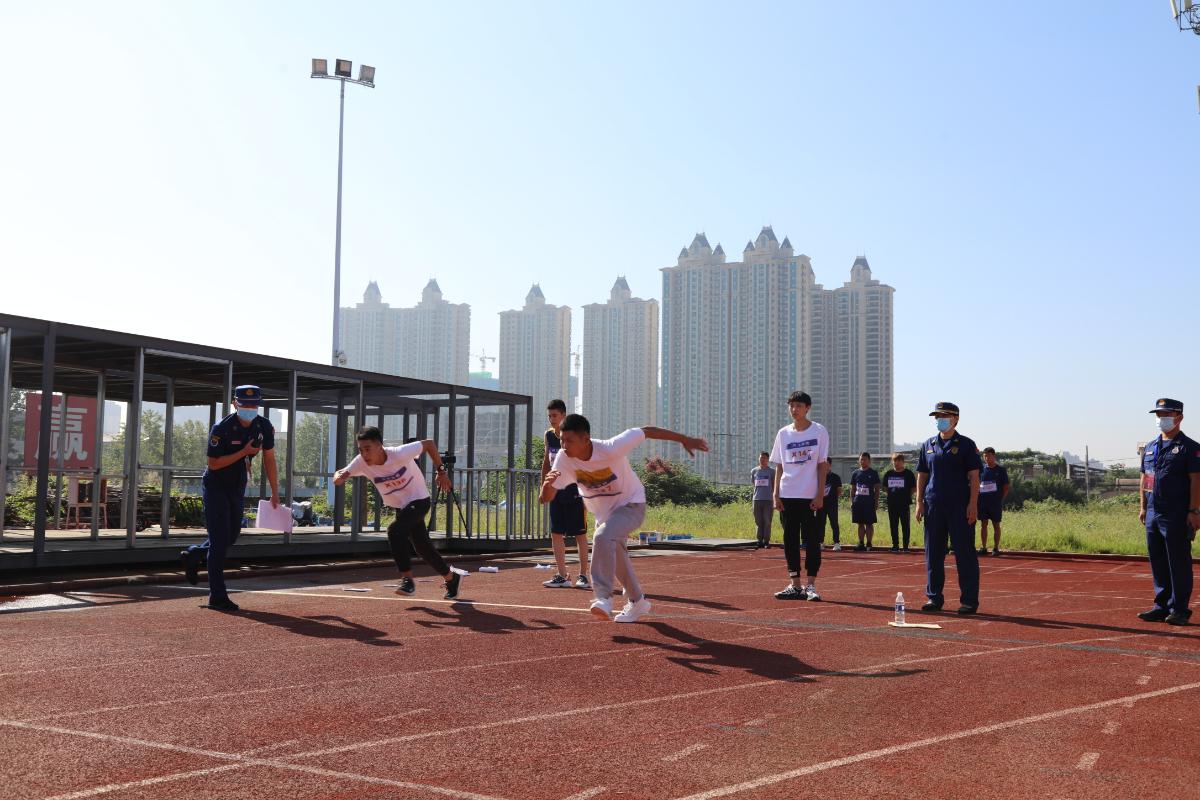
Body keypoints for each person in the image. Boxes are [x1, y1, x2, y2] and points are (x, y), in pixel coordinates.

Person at [540, 414, 707, 623]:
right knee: (618, 560)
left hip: (632, 504)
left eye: (569, 440)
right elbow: (545, 499)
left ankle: (603, 598)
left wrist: (684, 439)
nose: (564, 446)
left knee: (602, 538)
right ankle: (638, 602)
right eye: (562, 440)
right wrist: (547, 486)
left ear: (586, 439)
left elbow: (647, 430)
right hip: (605, 515)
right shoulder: (564, 459)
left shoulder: (611, 448)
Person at [333, 427, 462, 599]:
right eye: (361, 450)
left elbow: (429, 444)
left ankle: (407, 580)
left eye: (368, 449)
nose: (364, 454)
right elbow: (340, 474)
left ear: (379, 446)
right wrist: (338, 478)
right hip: (402, 507)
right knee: (422, 549)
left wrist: (441, 471)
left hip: (419, 500)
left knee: (394, 531)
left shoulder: (399, 453)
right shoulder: (361, 462)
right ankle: (451, 578)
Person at [181, 385, 278, 612]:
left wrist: (275, 491)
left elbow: (270, 459)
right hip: (215, 486)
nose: (250, 409)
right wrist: (243, 452)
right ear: (235, 404)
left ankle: (194, 554)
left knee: (231, 536)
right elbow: (213, 464)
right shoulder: (222, 428)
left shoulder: (264, 426)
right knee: (218, 540)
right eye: (245, 405)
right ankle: (217, 595)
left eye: (254, 405)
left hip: (237, 486)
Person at [1137, 398, 1200, 626]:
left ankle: (1180, 609)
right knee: (1158, 560)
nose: (1161, 419)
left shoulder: (1190, 448)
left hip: (1177, 513)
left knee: (1178, 561)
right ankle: (1161, 605)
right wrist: (1143, 506)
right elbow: (1144, 478)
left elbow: (1196, 482)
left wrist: (1195, 511)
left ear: (1179, 417)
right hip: (1153, 511)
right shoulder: (1151, 447)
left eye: (1166, 414)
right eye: (1158, 415)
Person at [916, 401, 983, 615]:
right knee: (933, 553)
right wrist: (919, 502)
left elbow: (974, 476)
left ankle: (969, 601)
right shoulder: (928, 444)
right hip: (934, 506)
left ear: (955, 419)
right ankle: (934, 597)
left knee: (964, 553)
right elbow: (922, 475)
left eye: (943, 416)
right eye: (937, 416)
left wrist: (973, 504)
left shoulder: (966, 445)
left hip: (959, 507)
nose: (939, 420)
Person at [770, 391, 830, 601]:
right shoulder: (783, 434)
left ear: (808, 408)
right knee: (790, 541)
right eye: (791, 406)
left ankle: (810, 585)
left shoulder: (819, 431)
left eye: (798, 406)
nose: (794, 410)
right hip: (788, 495)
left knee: (812, 541)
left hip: (810, 496)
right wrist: (776, 494)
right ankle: (795, 584)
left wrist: (819, 494)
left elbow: (822, 465)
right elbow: (779, 465)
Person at [540, 399, 591, 588]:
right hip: (556, 490)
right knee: (556, 533)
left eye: (555, 416)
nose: (552, 419)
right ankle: (562, 575)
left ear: (563, 415)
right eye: (549, 416)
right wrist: (543, 487)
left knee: (579, 534)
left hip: (575, 490)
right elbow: (546, 461)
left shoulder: (573, 435)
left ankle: (583, 575)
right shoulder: (549, 436)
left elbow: (585, 462)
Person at [977, 447, 1011, 556]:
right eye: (985, 456)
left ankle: (996, 548)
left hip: (995, 504)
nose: (987, 458)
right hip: (982, 503)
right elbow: (977, 484)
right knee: (983, 524)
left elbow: (1006, 487)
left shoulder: (1001, 470)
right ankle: (983, 547)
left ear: (994, 456)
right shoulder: (981, 469)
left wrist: (1000, 500)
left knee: (996, 525)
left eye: (989, 456)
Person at [883, 453, 917, 551]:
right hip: (892, 504)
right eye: (894, 461)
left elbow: (913, 488)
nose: (896, 463)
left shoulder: (908, 473)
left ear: (903, 462)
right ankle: (895, 546)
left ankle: (905, 547)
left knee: (905, 525)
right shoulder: (888, 474)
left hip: (904, 503)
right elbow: (885, 488)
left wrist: (906, 495)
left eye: (898, 461)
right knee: (893, 525)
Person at [850, 452, 880, 551]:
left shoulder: (873, 473)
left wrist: (876, 502)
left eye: (865, 459)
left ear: (869, 461)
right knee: (860, 523)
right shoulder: (855, 473)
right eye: (861, 459)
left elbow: (877, 489)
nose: (863, 461)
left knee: (869, 523)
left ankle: (869, 543)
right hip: (858, 502)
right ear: (859, 461)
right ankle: (861, 543)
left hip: (869, 503)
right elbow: (853, 489)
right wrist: (852, 501)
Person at [817, 458, 843, 551]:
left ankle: (836, 542)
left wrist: (832, 497)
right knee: (820, 523)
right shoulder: (818, 476)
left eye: (827, 464)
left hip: (832, 504)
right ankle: (820, 542)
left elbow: (839, 491)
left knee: (834, 523)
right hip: (820, 504)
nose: (825, 466)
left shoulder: (836, 477)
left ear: (830, 465)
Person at [751, 451, 775, 548]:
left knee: (767, 520)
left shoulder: (772, 471)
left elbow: (774, 485)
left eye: (764, 458)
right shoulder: (754, 471)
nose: (762, 459)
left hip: (768, 499)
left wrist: (775, 498)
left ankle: (766, 541)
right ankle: (759, 540)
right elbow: (754, 484)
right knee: (758, 521)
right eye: (761, 458)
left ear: (768, 460)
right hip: (756, 499)